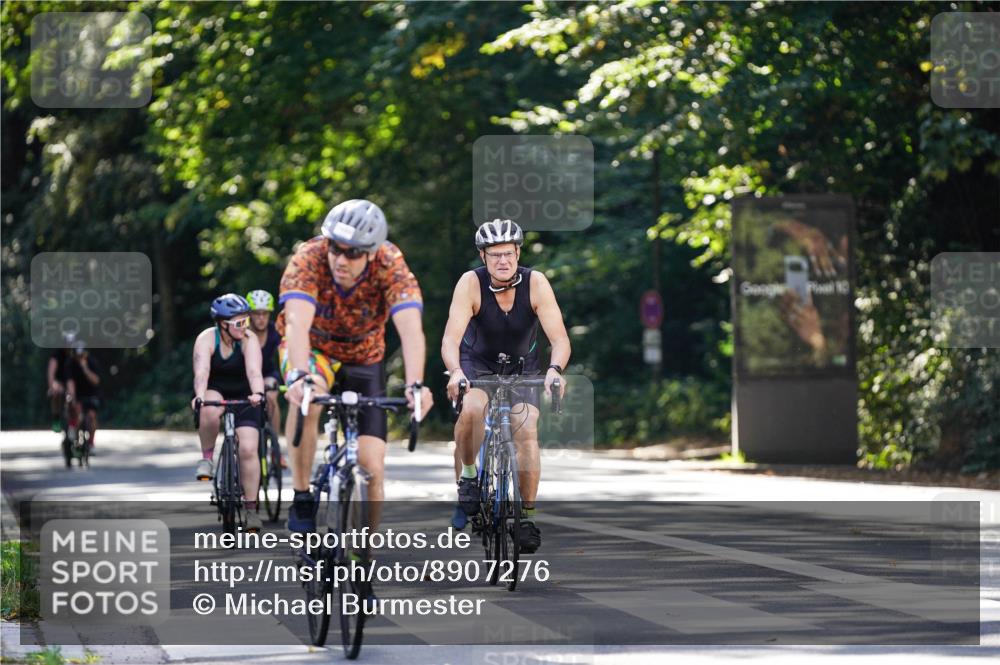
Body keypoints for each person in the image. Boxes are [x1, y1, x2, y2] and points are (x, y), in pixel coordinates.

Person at [278, 198, 433, 534]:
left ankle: (363, 563)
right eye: (335, 247)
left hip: (365, 356)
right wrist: (299, 375)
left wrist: (415, 385)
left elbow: (410, 329)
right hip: (315, 350)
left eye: (352, 253)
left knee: (372, 468)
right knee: (308, 398)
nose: (340, 259)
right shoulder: (309, 257)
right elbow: (295, 325)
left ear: (372, 252)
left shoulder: (391, 264)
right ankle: (302, 494)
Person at [441, 219, 570, 553]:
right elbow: (450, 339)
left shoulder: (536, 283)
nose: (502, 261)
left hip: (521, 367)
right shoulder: (470, 283)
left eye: (508, 253)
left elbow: (559, 339)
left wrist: (555, 369)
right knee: (471, 410)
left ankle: (526, 516)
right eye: (495, 254)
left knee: (526, 431)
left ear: (518, 253)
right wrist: (455, 371)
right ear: (483, 256)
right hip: (477, 364)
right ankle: (469, 475)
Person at [191, 293, 266, 533]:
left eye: (247, 321)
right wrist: (200, 396)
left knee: (248, 449)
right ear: (223, 324)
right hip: (216, 390)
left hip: (246, 394)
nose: (245, 326)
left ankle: (251, 510)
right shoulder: (206, 339)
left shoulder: (248, 339)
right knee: (209, 410)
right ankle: (207, 458)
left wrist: (258, 394)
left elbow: (255, 372)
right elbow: (201, 372)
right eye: (239, 323)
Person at [246, 290, 283, 442]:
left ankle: (275, 446)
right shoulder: (242, 333)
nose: (261, 318)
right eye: (257, 314)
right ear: (249, 315)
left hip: (267, 372)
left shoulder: (275, 332)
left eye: (265, 314)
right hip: (245, 375)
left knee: (271, 396)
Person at [64, 337, 102, 451]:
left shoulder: (92, 362)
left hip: (91, 394)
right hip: (77, 394)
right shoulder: (70, 364)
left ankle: (91, 443)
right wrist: (72, 397)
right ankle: (72, 429)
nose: (79, 358)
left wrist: (85, 369)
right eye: (77, 355)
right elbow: (70, 382)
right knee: (74, 410)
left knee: (91, 416)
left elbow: (96, 381)